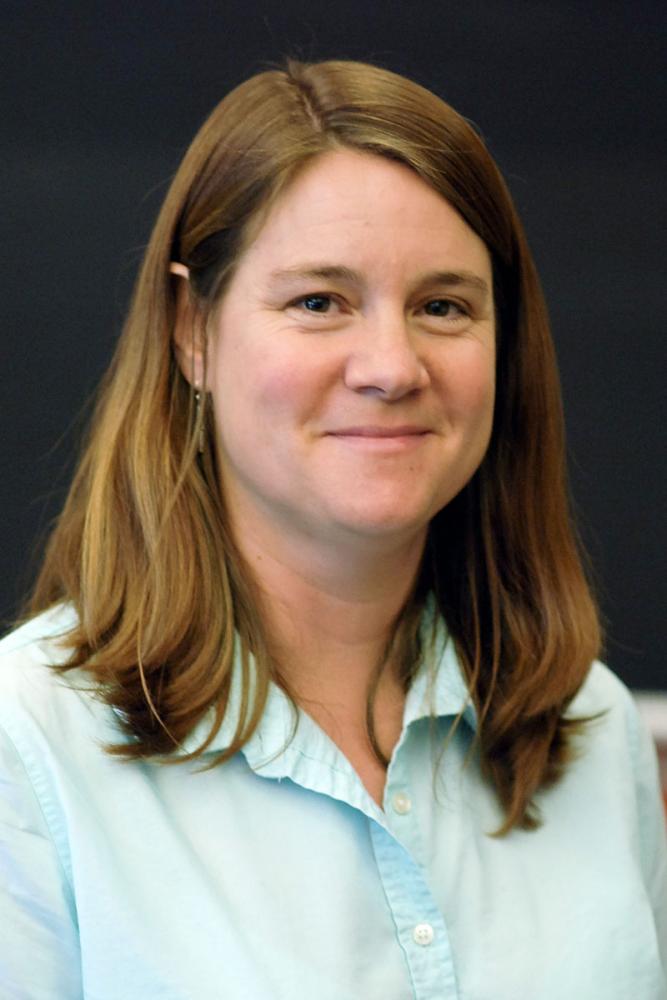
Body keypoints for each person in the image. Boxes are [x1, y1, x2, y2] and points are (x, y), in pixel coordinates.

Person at [0, 58, 665, 1000]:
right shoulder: (26, 746)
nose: (391, 366)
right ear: (192, 331)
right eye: (319, 302)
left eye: (443, 306)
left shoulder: (588, 729)